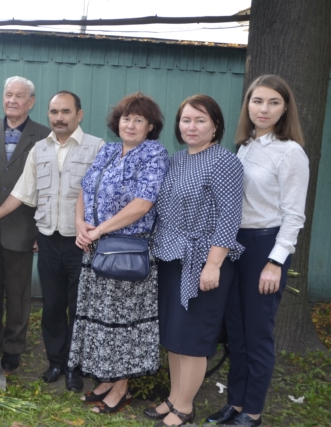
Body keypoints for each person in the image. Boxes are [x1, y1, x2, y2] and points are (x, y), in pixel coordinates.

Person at [0, 91, 103, 390]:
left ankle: (75, 366)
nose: (59, 117)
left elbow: (103, 195)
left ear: (79, 114)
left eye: (65, 112)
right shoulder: (39, 149)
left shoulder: (97, 147)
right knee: (53, 306)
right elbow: (22, 192)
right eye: (54, 112)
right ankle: (56, 362)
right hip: (49, 238)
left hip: (81, 242)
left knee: (78, 305)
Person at [206, 75, 309, 427]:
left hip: (266, 245)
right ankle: (235, 404)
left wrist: (275, 262)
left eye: (273, 102)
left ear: (285, 109)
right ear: (247, 105)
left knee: (257, 332)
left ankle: (252, 413)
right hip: (235, 245)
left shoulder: (290, 152)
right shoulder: (245, 146)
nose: (263, 109)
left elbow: (294, 215)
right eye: (257, 101)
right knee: (236, 331)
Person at [146, 95, 243, 427]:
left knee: (193, 339)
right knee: (175, 335)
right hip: (172, 258)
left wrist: (214, 263)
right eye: (186, 120)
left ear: (215, 125)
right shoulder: (175, 160)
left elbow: (229, 218)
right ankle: (173, 398)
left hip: (205, 261)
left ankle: (185, 408)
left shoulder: (224, 162)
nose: (191, 126)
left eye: (200, 120)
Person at [69, 92, 169, 414]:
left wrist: (100, 230)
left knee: (124, 324)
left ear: (150, 126)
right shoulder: (109, 151)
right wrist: (80, 224)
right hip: (96, 248)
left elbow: (143, 204)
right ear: (118, 122)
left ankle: (122, 389)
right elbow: (85, 189)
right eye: (126, 118)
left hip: (128, 252)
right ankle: (108, 380)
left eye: (139, 119)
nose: (131, 124)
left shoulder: (154, 153)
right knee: (101, 320)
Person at [0, 76, 50, 372]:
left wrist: (41, 229)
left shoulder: (43, 136)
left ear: (31, 102)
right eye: (8, 95)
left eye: (19, 96)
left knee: (17, 292)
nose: (12, 100)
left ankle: (14, 347)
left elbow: (47, 186)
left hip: (22, 227)